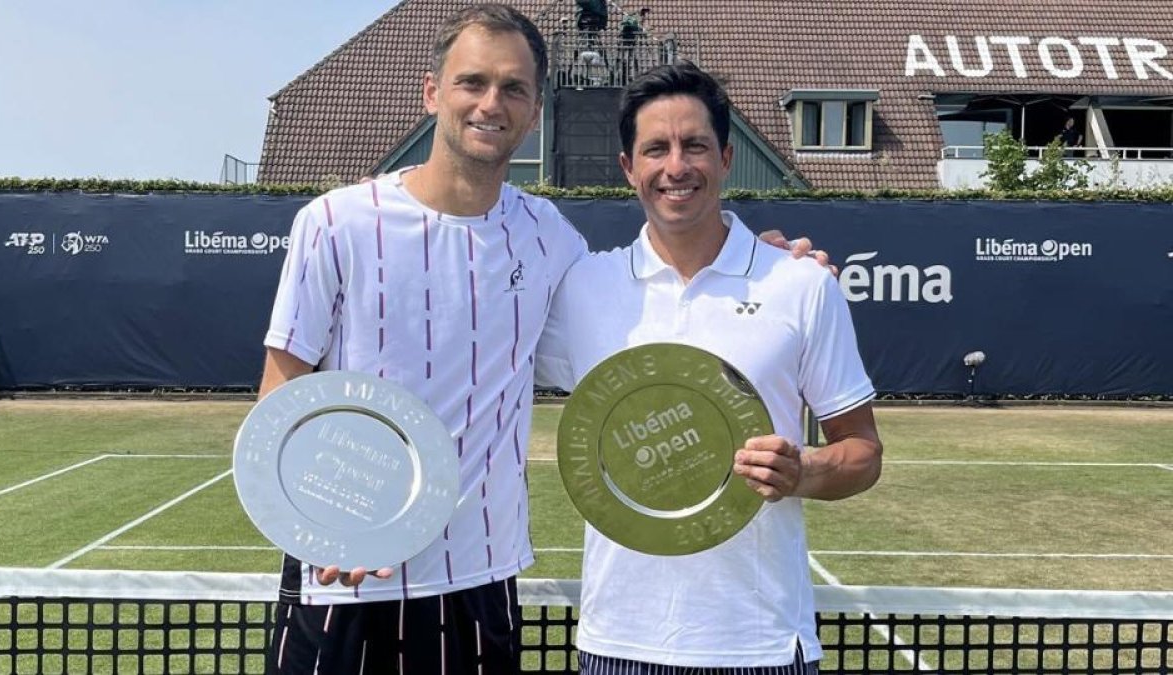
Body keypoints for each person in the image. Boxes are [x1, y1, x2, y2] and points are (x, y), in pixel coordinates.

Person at [258, 6, 827, 674]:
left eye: (514, 88)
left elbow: (653, 298)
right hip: (343, 579)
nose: (491, 103)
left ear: (532, 111)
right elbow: (282, 391)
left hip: (478, 587)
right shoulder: (333, 222)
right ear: (432, 92)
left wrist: (755, 259)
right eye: (472, 82)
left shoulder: (550, 237)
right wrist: (324, 522)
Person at [536, 62, 883, 674]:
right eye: (656, 149)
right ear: (628, 169)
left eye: (694, 145)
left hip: (762, 645)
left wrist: (802, 470)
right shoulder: (581, 288)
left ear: (724, 158)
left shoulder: (801, 285)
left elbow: (862, 452)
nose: (677, 167)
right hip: (617, 644)